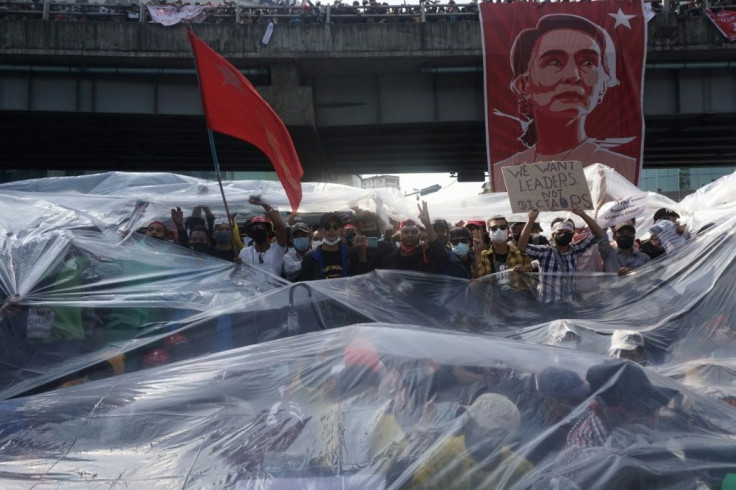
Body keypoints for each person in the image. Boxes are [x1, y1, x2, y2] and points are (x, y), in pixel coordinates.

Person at [493, 14, 638, 188]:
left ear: (602, 88)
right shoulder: (504, 171)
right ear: (524, 85)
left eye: (587, 62)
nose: (573, 76)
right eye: (554, 62)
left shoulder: (621, 169)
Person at [405, 393, 533, 489]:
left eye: (478, 424)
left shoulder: (519, 469)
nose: (469, 425)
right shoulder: (443, 455)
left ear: (505, 436)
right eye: (470, 419)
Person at [517, 209, 604, 304]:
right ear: (553, 235)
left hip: (568, 305)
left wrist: (582, 214)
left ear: (572, 234)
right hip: (547, 306)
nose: (564, 233)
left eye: (567, 231)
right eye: (560, 231)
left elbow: (599, 234)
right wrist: (530, 220)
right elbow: (522, 247)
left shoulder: (576, 250)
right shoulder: (546, 251)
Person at [380, 202, 448, 274]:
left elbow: (441, 253)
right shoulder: (390, 259)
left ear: (419, 236)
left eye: (414, 232)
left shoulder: (426, 256)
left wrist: (427, 224)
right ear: (400, 236)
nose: (410, 235)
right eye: (406, 232)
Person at [473, 215, 532, 288]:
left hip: (517, 298)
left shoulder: (520, 254)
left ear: (508, 231)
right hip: (493, 299)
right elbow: (479, 279)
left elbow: (531, 281)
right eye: (494, 228)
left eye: (502, 227)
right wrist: (477, 251)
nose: (498, 231)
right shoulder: (484, 255)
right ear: (489, 233)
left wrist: (523, 272)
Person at [238, 197, 288, 276]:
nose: (258, 230)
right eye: (254, 228)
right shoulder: (245, 252)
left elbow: (280, 228)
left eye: (261, 227)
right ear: (251, 234)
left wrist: (265, 205)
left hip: (275, 289)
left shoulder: (277, 250)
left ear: (268, 231)